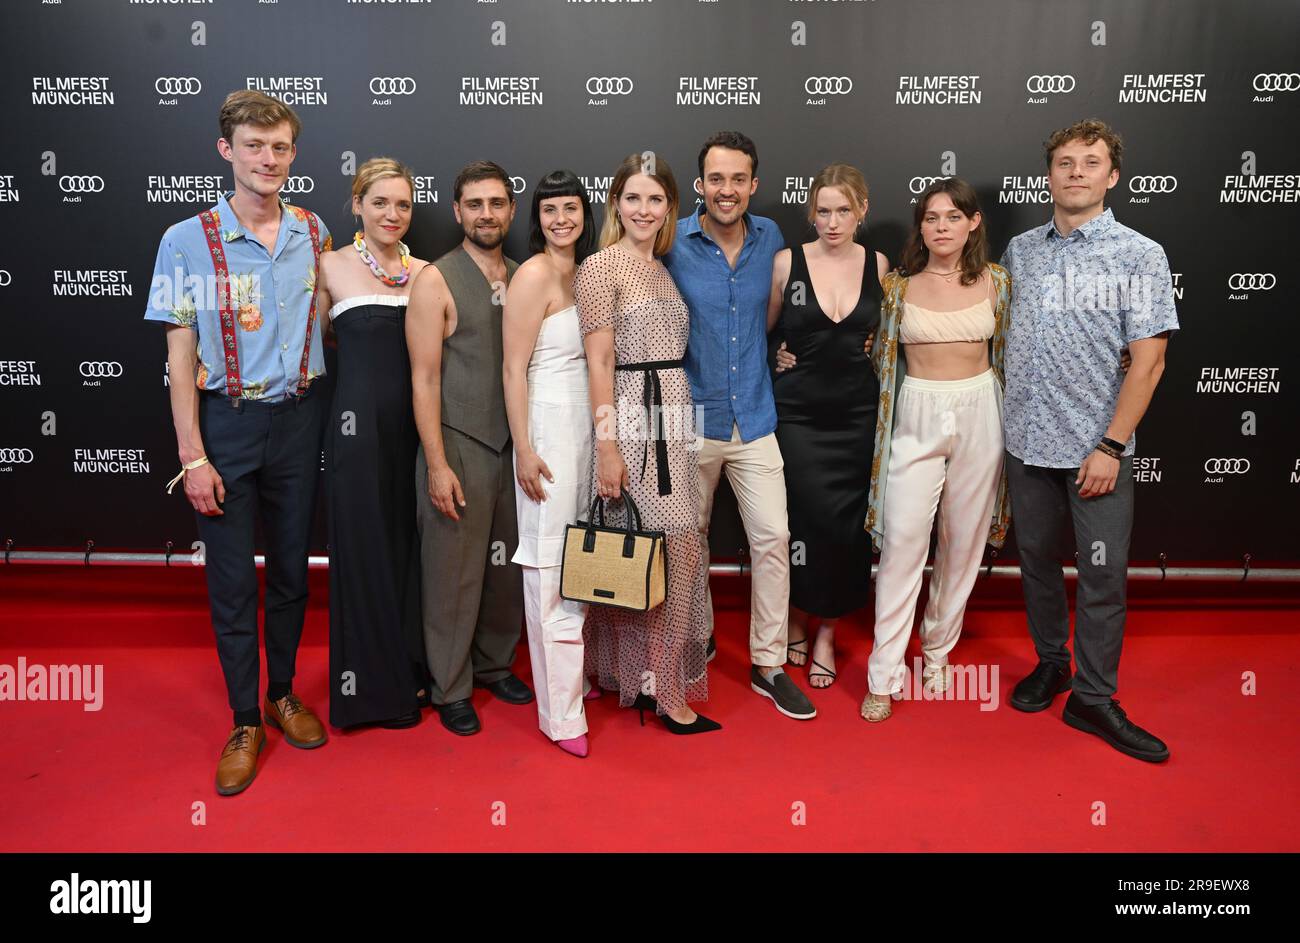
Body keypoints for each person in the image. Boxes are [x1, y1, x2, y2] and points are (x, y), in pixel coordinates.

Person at [146, 90, 331, 796]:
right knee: (230, 581)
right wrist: (192, 455)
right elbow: (179, 352)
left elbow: (338, 303)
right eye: (255, 145)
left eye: (280, 146)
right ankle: (244, 717)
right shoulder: (184, 239)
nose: (268, 159)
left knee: (289, 568)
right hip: (225, 423)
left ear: (293, 153)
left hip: (300, 418)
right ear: (228, 151)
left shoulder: (313, 230)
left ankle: (282, 690)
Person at [1001, 119, 1176, 762]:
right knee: (1038, 562)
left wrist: (1111, 445)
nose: (1076, 171)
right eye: (1065, 162)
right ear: (1050, 173)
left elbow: (1149, 361)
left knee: (1101, 575)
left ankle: (1094, 698)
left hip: (1094, 452)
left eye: (1090, 162)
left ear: (1112, 175)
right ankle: (1053, 663)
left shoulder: (1139, 254)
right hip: (1024, 443)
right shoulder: (1022, 250)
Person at [665, 131, 816, 721]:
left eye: (738, 180)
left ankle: (768, 663)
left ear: (753, 184)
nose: (727, 190)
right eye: (716, 179)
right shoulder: (669, 238)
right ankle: (696, 638)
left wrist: (775, 350)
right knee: (688, 544)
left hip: (755, 416)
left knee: (774, 540)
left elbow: (776, 315)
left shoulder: (773, 239)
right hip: (690, 419)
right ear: (700, 184)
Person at [858, 178, 1012, 722]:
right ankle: (884, 671)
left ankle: (939, 649)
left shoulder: (998, 282)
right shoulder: (897, 287)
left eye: (952, 217)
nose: (940, 227)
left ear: (973, 222)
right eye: (930, 218)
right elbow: (868, 350)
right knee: (902, 543)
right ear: (920, 227)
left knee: (963, 540)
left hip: (980, 410)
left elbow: (1017, 352)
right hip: (916, 411)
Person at [575, 151, 719, 734]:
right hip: (632, 414)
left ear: (670, 209)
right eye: (632, 197)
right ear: (616, 204)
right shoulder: (600, 267)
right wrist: (608, 447)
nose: (643, 208)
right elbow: (600, 362)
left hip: (673, 416)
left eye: (655, 199)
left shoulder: (663, 266)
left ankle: (651, 680)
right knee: (648, 547)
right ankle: (654, 689)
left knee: (677, 546)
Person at [407, 160, 532, 737]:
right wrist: (436, 463)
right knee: (452, 574)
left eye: (497, 203)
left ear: (511, 209)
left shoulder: (522, 273)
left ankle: (493, 664)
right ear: (457, 212)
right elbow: (425, 378)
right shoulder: (436, 278)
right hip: (458, 443)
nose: (487, 214)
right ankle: (449, 686)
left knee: (506, 569)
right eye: (475, 204)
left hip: (513, 447)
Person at [315, 158, 429, 730]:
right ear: (357, 204)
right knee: (364, 552)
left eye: (403, 205)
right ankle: (371, 694)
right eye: (380, 202)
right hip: (356, 432)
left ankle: (412, 669)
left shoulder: (426, 271)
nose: (392, 214)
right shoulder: (328, 267)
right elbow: (315, 347)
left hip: (417, 432)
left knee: (409, 548)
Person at [766, 163, 888, 690]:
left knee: (845, 530)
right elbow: (760, 331)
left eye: (843, 211)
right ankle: (796, 615)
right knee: (801, 523)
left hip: (858, 417)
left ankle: (825, 634)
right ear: (810, 213)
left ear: (862, 211)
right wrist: (778, 356)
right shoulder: (785, 262)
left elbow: (891, 336)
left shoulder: (879, 265)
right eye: (823, 211)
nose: (832, 222)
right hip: (798, 416)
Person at [502, 170, 599, 757]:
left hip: (588, 432)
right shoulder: (534, 274)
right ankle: (560, 716)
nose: (561, 219)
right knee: (547, 571)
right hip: (546, 430)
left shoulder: (587, 271)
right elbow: (513, 368)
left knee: (580, 563)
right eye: (549, 211)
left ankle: (576, 684)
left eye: (570, 208)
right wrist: (524, 447)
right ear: (535, 218)